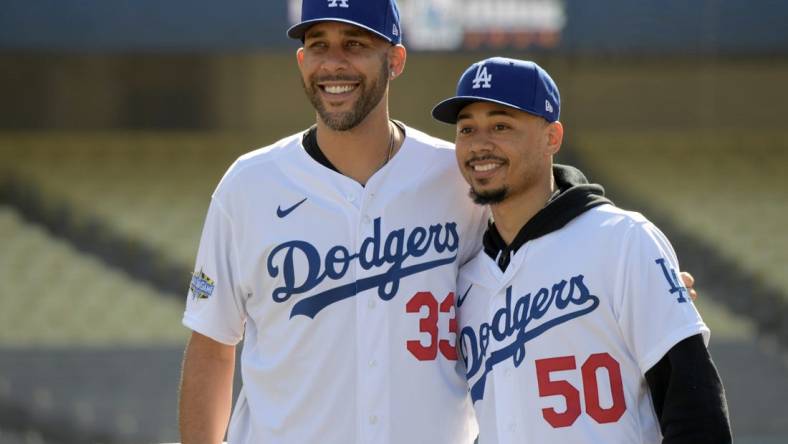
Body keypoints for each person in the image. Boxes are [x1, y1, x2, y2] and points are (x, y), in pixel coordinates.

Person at [177, 1, 699, 442]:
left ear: (396, 58)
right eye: (318, 44)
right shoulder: (249, 186)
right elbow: (212, 345)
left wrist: (642, 284)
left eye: (356, 44)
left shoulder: (456, 177)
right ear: (300, 59)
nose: (334, 63)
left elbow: (543, 241)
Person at [431, 57, 731, 443]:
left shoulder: (622, 240)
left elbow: (695, 406)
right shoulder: (467, 275)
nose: (479, 144)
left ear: (551, 137)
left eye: (501, 125)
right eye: (467, 129)